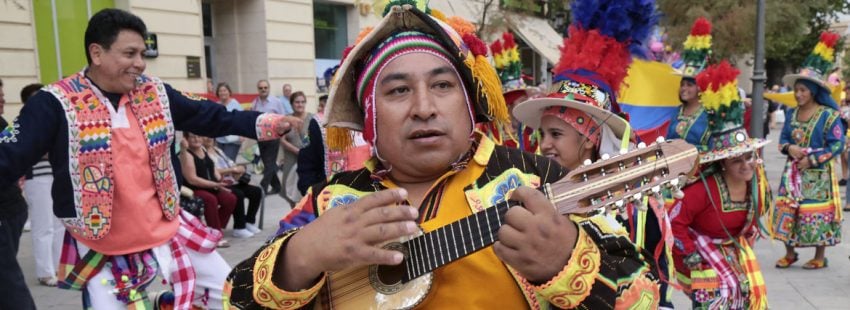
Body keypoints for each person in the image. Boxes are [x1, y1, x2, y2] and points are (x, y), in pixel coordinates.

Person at [225, 1, 660, 309]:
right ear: (370, 116)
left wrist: (567, 263)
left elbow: (644, 295)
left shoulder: (538, 183)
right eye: (397, 91)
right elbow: (235, 297)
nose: (424, 107)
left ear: (469, 103)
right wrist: (299, 256)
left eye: (442, 85)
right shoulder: (330, 200)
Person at [0, 9, 300, 309]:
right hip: (101, 247)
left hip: (167, 230)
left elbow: (210, 116)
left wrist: (268, 123)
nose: (140, 63)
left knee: (235, 299)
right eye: (130, 53)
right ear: (97, 53)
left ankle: (161, 303)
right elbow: (9, 156)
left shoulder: (155, 93)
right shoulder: (54, 103)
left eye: (142, 53)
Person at [511, 10, 674, 307]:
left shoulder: (635, 205)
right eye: (542, 134)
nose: (544, 144)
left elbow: (655, 282)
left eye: (556, 134)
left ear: (589, 139)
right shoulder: (527, 188)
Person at [669, 61, 771, 309]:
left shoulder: (756, 185)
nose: (746, 165)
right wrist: (691, 255)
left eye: (749, 156)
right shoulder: (702, 190)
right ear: (723, 163)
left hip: (736, 254)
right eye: (737, 160)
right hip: (703, 257)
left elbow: (755, 220)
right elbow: (675, 222)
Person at [771, 31, 845, 270]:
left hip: (817, 174)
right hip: (792, 172)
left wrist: (813, 160)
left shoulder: (829, 115)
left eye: (803, 90)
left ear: (813, 91)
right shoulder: (792, 114)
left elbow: (838, 144)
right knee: (786, 208)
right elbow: (782, 139)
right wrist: (789, 147)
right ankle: (789, 253)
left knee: (816, 212)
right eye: (797, 89)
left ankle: (819, 256)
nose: (798, 94)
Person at [19, 83, 65, 287]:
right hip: (36, 178)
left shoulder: (51, 120)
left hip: (54, 174)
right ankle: (45, 272)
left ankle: (58, 268)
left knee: (58, 224)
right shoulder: (25, 122)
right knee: (42, 225)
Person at [0, 78, 37, 309]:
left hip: (7, 210)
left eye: (2, 95)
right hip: (8, 210)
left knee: (7, 281)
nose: (3, 99)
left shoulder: (2, 123)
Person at [480, 31, 540, 153]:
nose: (527, 103)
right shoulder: (491, 129)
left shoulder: (530, 129)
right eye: (522, 100)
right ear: (509, 104)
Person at [180, 132, 237, 245]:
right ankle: (216, 236)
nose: (196, 139)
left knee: (230, 198)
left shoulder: (203, 149)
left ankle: (214, 230)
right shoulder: (186, 154)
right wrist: (214, 185)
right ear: (186, 139)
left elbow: (213, 169)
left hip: (211, 185)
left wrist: (221, 182)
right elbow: (192, 179)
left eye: (198, 136)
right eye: (192, 137)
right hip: (195, 188)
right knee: (210, 200)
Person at [203, 136, 263, 238]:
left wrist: (239, 168)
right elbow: (212, 171)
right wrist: (231, 170)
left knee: (256, 191)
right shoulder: (202, 153)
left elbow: (231, 163)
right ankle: (239, 227)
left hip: (232, 181)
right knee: (238, 194)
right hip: (219, 184)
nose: (209, 139)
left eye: (210, 137)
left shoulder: (217, 150)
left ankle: (249, 221)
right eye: (205, 137)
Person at [667, 17, 712, 151]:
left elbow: (714, 147)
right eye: (683, 84)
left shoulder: (709, 114)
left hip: (702, 168)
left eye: (689, 85)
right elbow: (668, 141)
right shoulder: (677, 111)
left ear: (700, 88)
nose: (684, 88)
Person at [252, 79, 288, 195]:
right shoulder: (255, 102)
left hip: (273, 137)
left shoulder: (276, 101)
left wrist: (283, 133)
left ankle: (263, 187)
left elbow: (283, 117)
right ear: (258, 89)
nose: (263, 90)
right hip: (260, 137)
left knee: (269, 163)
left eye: (265, 88)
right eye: (261, 88)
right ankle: (277, 186)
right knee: (268, 162)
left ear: (268, 88)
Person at [278, 91, 312, 204]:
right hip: (291, 158)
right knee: (289, 189)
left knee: (307, 191)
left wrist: (304, 153)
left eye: (302, 102)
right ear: (291, 104)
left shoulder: (312, 118)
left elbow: (314, 139)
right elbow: (281, 139)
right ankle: (294, 217)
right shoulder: (287, 119)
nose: (300, 104)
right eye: (297, 102)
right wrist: (296, 151)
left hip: (308, 159)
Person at [214, 82, 244, 161]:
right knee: (221, 163)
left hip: (233, 140)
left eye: (225, 90)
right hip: (220, 140)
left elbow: (242, 120)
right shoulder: (217, 105)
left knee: (228, 162)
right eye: (220, 91)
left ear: (229, 92)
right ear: (218, 93)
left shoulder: (235, 104)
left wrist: (242, 134)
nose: (223, 93)